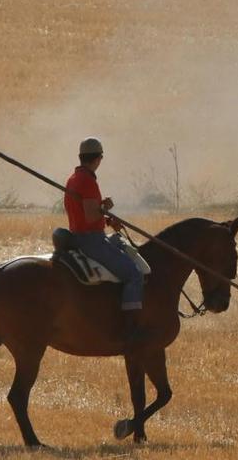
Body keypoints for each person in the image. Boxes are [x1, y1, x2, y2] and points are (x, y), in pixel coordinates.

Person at [64, 137, 144, 346]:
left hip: (81, 235)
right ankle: (130, 329)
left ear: (81, 157)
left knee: (119, 243)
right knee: (134, 274)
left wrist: (106, 218)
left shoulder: (73, 178)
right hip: (91, 241)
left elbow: (87, 215)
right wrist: (104, 208)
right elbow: (91, 216)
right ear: (99, 159)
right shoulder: (88, 181)